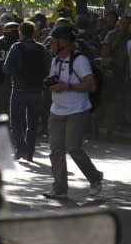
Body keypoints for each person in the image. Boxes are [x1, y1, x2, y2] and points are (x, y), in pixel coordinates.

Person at [43, 25, 103, 199]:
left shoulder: (79, 60)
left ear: (63, 42)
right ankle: (60, 189)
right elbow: (55, 81)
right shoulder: (56, 60)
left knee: (73, 148)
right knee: (56, 151)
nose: (51, 43)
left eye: (53, 40)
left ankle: (95, 177)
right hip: (57, 111)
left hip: (77, 110)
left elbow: (91, 85)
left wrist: (67, 86)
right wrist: (50, 83)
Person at [3, 21, 50, 161]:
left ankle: (21, 148)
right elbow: (48, 67)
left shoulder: (16, 47)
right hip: (36, 90)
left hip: (19, 89)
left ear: (20, 32)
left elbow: (6, 69)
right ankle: (29, 152)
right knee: (33, 123)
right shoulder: (41, 48)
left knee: (15, 121)